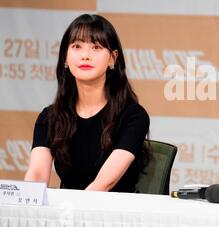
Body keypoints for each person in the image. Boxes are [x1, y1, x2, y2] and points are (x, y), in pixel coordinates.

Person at [24, 14, 150, 192]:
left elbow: (103, 184)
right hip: (66, 214)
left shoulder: (133, 116)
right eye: (77, 46)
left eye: (96, 47)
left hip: (113, 214)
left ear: (113, 58)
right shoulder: (50, 117)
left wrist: (72, 215)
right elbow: (36, 174)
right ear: (65, 58)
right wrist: (27, 200)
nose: (85, 56)